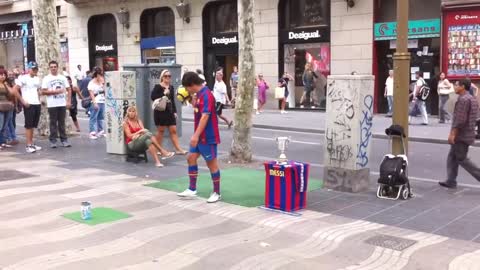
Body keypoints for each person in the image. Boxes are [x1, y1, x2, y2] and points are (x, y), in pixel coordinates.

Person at [177, 72, 222, 203]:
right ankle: (192, 189)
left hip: (208, 136)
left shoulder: (207, 95)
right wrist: (194, 102)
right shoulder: (199, 95)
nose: (186, 90)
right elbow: (199, 112)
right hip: (199, 135)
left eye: (186, 87)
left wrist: (195, 135)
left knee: (211, 164)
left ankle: (217, 192)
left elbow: (205, 116)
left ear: (191, 85)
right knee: (191, 158)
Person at [439, 79, 480, 189]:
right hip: (468, 133)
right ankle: (451, 180)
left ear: (462, 87)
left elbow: (460, 120)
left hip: (461, 135)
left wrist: (452, 134)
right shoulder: (472, 98)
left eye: (456, 85)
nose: (454, 87)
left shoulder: (463, 100)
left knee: (462, 159)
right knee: (452, 156)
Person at [151, 69, 187, 155]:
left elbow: (172, 100)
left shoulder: (171, 87)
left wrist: (174, 112)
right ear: (162, 77)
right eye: (165, 76)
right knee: (161, 131)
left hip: (170, 111)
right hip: (161, 112)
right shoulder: (158, 86)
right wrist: (163, 93)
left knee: (173, 130)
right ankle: (158, 149)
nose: (167, 78)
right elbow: (153, 97)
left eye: (169, 76)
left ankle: (178, 149)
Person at [41, 60, 72, 148]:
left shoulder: (63, 77)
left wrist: (69, 101)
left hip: (62, 103)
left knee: (62, 122)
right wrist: (55, 91)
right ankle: (53, 140)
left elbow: (69, 89)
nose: (53, 68)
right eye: (52, 67)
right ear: (49, 68)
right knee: (53, 123)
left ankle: (64, 140)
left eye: (55, 67)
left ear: (57, 67)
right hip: (52, 104)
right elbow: (43, 91)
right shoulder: (46, 78)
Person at [15, 62, 42, 153]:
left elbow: (38, 90)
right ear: (29, 69)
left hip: (36, 103)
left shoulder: (37, 79)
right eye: (33, 69)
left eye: (36, 69)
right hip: (28, 104)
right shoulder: (23, 78)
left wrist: (39, 100)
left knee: (33, 125)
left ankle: (32, 143)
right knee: (28, 125)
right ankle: (28, 145)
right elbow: (15, 90)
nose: (35, 70)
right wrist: (23, 101)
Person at [0, 68, 20, 150]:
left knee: (5, 125)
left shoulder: (5, 84)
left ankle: (3, 142)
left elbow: (11, 93)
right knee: (0, 125)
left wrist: (7, 85)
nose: (3, 76)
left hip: (7, 106)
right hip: (0, 107)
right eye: (1, 75)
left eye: (4, 75)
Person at [87, 67, 105, 139]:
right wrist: (94, 103)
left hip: (102, 101)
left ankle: (100, 131)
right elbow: (91, 94)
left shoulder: (101, 81)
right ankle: (92, 133)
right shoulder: (91, 83)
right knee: (93, 117)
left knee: (101, 117)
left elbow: (105, 91)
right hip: (95, 101)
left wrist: (103, 83)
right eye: (99, 74)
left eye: (101, 74)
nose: (100, 76)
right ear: (96, 74)